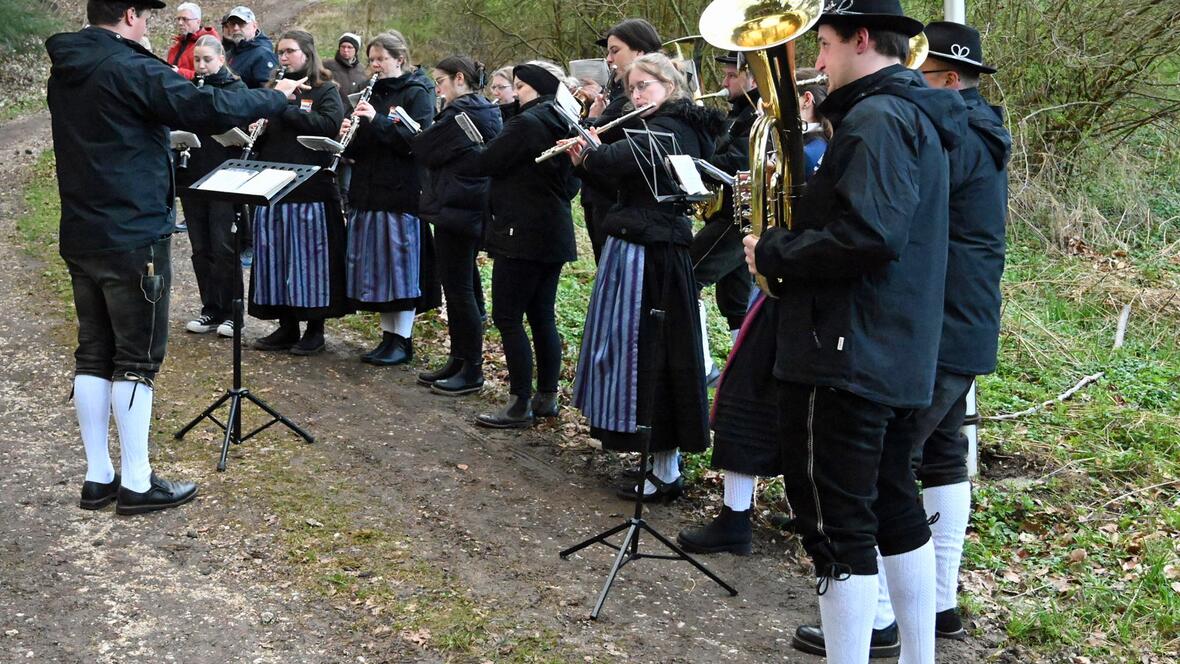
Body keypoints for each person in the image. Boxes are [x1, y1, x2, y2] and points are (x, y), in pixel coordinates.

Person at [742, 1, 967, 661]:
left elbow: (870, 235)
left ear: (862, 39)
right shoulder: (911, 115)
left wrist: (776, 252)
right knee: (893, 503)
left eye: (826, 45)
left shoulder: (876, 120)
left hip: (842, 354)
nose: (815, 61)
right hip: (890, 352)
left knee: (835, 526)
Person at [46, 0, 302, 515]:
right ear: (131, 14)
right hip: (133, 230)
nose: (148, 23)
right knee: (136, 359)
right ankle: (137, 482)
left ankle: (99, 478)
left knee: (94, 353)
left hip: (82, 227)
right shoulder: (130, 66)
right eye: (145, 14)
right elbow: (204, 109)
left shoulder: (68, 65)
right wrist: (273, 97)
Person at [677, 69, 831, 557]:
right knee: (799, 407)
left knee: (742, 394)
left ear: (804, 102)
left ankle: (735, 518)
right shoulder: (830, 146)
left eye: (772, 101)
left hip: (786, 292)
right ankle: (804, 507)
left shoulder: (806, 155)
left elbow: (790, 223)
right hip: (807, 298)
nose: (764, 110)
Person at [569, 53, 723, 501]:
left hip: (655, 256)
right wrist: (586, 159)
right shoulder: (650, 125)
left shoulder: (673, 129)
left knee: (656, 355)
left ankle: (666, 468)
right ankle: (653, 461)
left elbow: (618, 161)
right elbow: (614, 182)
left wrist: (593, 152)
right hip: (635, 246)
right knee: (634, 353)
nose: (636, 94)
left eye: (645, 86)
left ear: (669, 87)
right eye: (632, 87)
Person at [456, 61, 579, 427]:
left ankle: (519, 402)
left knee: (508, 316)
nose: (510, 93)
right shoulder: (562, 120)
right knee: (542, 315)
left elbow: (485, 161)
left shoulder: (527, 124)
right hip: (554, 230)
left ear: (531, 89)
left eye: (517, 87)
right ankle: (546, 397)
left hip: (521, 231)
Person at [339, 31, 439, 365]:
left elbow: (415, 140)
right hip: (369, 189)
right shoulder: (371, 92)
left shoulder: (418, 91)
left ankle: (403, 340)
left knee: (400, 268)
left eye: (381, 59)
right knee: (380, 270)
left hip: (401, 191)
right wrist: (347, 137)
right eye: (372, 60)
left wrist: (376, 120)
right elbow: (362, 147)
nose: (375, 66)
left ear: (400, 58)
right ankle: (387, 338)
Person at [248, 29, 349, 355]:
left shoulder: (325, 90)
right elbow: (266, 136)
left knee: (311, 264)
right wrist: (256, 128)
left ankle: (314, 330)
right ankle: (286, 326)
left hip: (311, 193)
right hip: (273, 189)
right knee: (277, 261)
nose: (283, 56)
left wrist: (285, 109)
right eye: (280, 51)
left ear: (307, 52)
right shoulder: (273, 90)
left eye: (290, 50)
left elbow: (328, 125)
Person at [413, 55, 502, 395]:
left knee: (460, 290)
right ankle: (459, 358)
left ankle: (472, 368)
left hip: (458, 209)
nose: (438, 87)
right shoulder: (484, 109)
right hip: (460, 206)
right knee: (460, 287)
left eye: (441, 81)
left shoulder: (462, 114)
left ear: (460, 79)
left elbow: (424, 148)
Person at [688, 50, 760, 386]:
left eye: (732, 75)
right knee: (734, 301)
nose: (724, 82)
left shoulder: (759, 115)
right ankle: (741, 374)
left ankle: (704, 368)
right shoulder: (740, 113)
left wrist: (700, 152)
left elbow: (737, 159)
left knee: (687, 276)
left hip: (737, 217)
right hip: (732, 214)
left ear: (753, 77)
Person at [178, 35, 250, 339]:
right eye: (197, 60)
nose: (202, 65)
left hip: (224, 175)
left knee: (223, 246)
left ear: (222, 59)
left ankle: (233, 312)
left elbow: (245, 125)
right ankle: (210, 307)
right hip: (193, 175)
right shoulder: (192, 87)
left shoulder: (236, 88)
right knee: (200, 247)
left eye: (208, 59)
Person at [581, 18, 662, 262]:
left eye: (615, 51)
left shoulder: (640, 103)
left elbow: (613, 144)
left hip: (625, 205)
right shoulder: (618, 94)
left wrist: (590, 123)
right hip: (602, 196)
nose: (609, 59)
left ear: (639, 52)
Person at [221, 5, 278, 89]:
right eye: (232, 24)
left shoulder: (263, 54)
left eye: (241, 23)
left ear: (254, 26)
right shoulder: (231, 51)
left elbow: (268, 93)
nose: (235, 28)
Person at [166, 2, 217, 80]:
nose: (180, 23)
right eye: (178, 19)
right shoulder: (176, 45)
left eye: (185, 19)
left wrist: (179, 72)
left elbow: (210, 76)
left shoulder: (208, 43)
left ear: (198, 21)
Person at [324, 32, 368, 113]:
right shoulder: (327, 65)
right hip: (331, 110)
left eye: (349, 47)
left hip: (353, 113)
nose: (345, 50)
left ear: (356, 50)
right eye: (343, 47)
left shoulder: (362, 70)